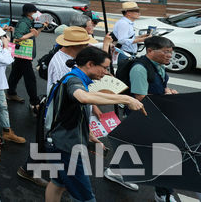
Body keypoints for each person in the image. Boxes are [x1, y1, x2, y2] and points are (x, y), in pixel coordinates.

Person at [44, 47, 146, 202]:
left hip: (59, 141)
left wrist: (89, 134)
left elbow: (72, 113)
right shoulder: (74, 81)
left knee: (58, 183)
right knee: (85, 198)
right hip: (66, 148)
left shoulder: (77, 78)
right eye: (104, 68)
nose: (106, 72)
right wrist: (126, 99)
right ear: (90, 64)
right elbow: (83, 97)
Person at [128, 35, 178, 202]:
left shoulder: (159, 66)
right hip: (144, 117)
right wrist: (165, 98)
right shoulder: (139, 69)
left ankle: (119, 172)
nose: (170, 56)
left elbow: (157, 87)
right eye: (166, 52)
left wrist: (167, 91)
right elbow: (140, 98)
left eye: (171, 52)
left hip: (157, 114)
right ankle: (163, 193)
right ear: (150, 50)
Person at [8, 3, 42, 111]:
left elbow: (35, 34)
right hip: (23, 54)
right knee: (30, 78)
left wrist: (42, 26)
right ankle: (34, 101)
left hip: (22, 54)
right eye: (35, 11)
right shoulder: (23, 23)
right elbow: (17, 38)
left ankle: (10, 93)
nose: (37, 13)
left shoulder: (31, 22)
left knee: (16, 73)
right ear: (29, 13)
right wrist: (31, 34)